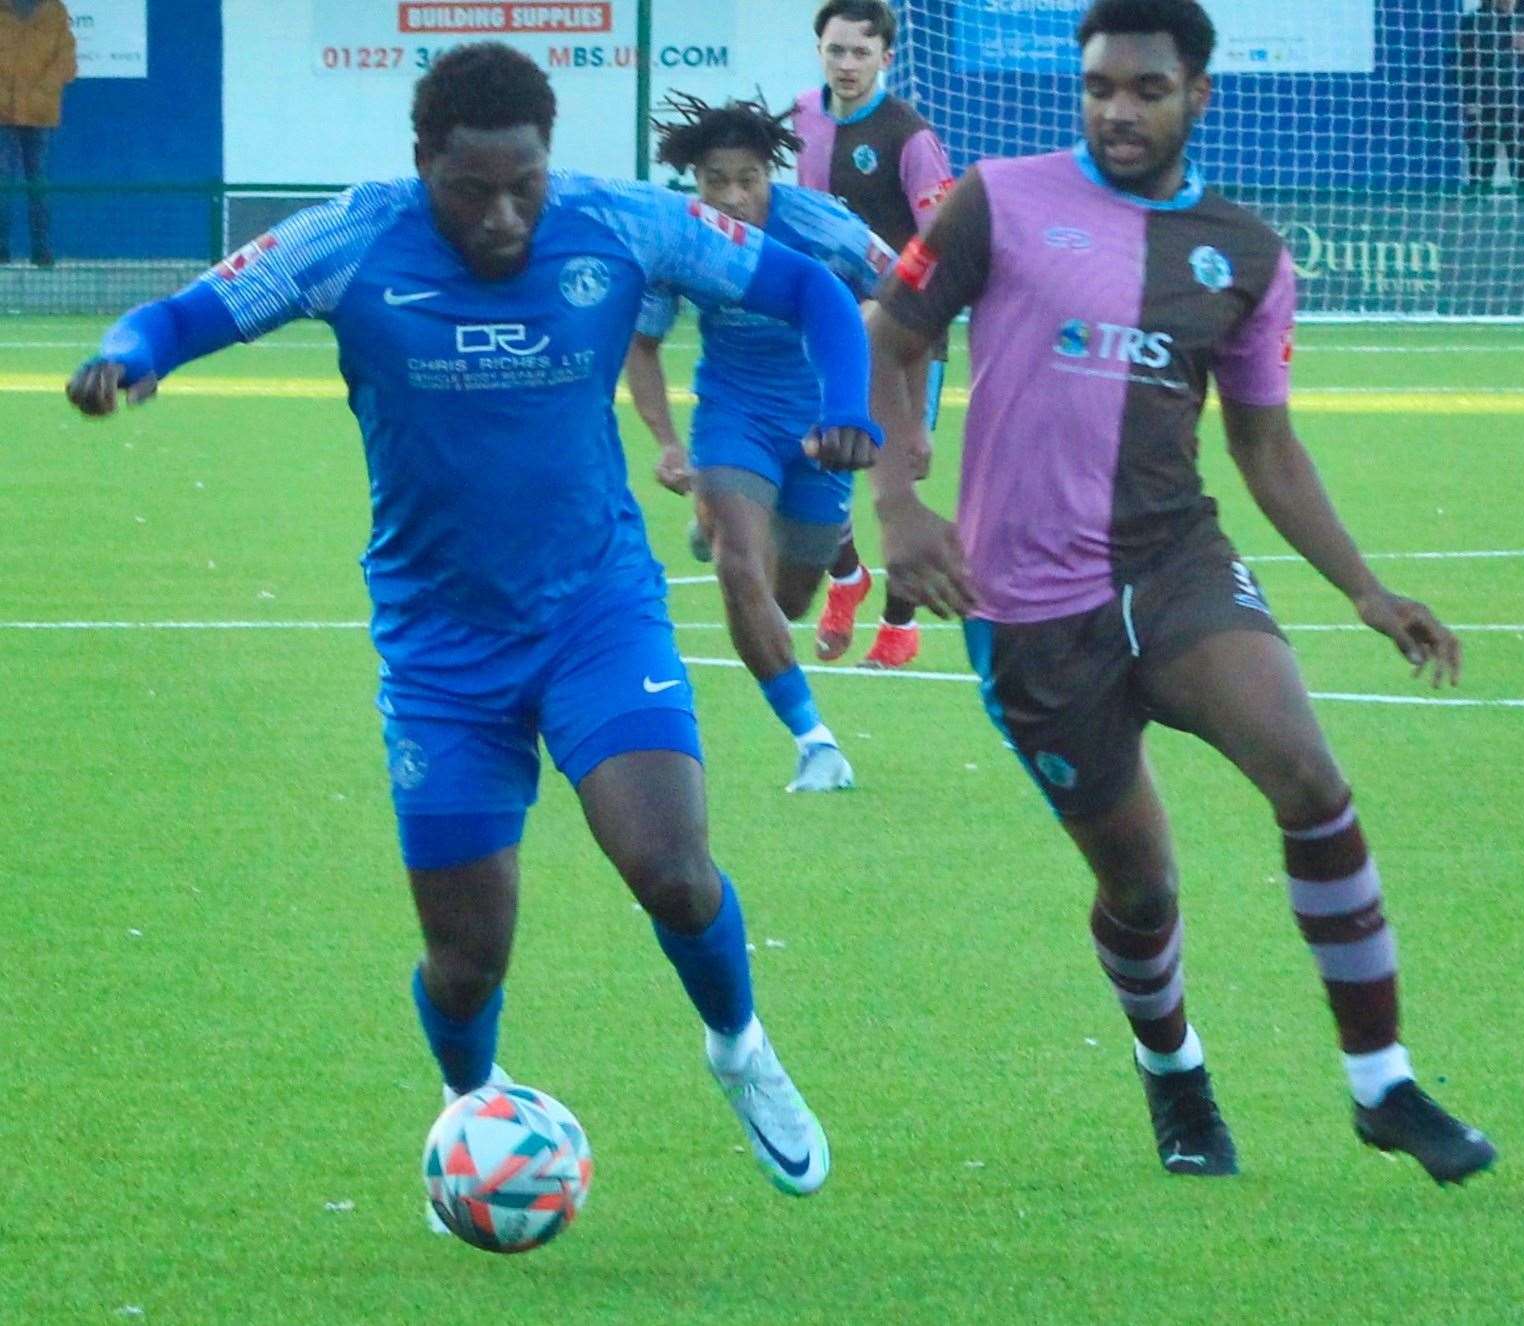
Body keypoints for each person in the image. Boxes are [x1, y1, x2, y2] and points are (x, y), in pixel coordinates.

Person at [64, 44, 885, 1207]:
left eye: (526, 185)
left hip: (597, 611)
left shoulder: (620, 223)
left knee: (674, 870)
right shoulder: (352, 239)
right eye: (471, 189)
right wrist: (128, 355)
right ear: (421, 164)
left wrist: (849, 409)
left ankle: (740, 1047)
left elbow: (806, 288)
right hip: (441, 648)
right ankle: (475, 1114)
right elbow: (192, 310)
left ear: (553, 164)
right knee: (466, 961)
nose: (504, 216)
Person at [864, 0, 1497, 1183]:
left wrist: (1363, 588)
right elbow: (888, 338)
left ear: (1197, 94)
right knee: (1141, 890)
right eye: (1100, 85)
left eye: (1146, 88)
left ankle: (1383, 1084)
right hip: (1029, 606)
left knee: (1310, 780)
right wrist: (901, 505)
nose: (1117, 109)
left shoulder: (1245, 252)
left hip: (1176, 566)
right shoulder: (997, 198)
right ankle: (1176, 1079)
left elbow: (1266, 444)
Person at [628, 94, 895, 793]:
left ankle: (735, 523)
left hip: (818, 427)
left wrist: (856, 355)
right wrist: (664, 440)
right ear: (696, 181)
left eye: (747, 178)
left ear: (771, 173)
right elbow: (643, 344)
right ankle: (815, 741)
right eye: (716, 180)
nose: (733, 196)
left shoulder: (820, 225)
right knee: (738, 567)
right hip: (732, 412)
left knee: (790, 599)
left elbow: (898, 291)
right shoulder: (680, 240)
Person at [792, 0, 956, 669]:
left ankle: (898, 626)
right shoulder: (800, 115)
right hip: (826, 330)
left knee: (895, 482)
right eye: (836, 50)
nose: (847, 64)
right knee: (807, 462)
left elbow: (942, 243)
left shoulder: (909, 137)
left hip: (906, 339)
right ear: (820, 52)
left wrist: (885, 308)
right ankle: (846, 579)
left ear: (886, 58)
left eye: (861, 52)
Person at [0, 0, 76, 268]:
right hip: (2, 113)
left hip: (39, 113)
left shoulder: (54, 11)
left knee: (38, 184)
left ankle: (42, 253)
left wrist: (41, 91)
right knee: (3, 184)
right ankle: (1, 252)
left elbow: (66, 62)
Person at [1452, 0, 1524, 191]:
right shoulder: (1474, 23)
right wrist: (1471, 101)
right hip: (1487, 102)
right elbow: (1465, 65)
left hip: (1520, 101)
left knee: (1522, 159)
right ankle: (1478, 198)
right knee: (1482, 158)